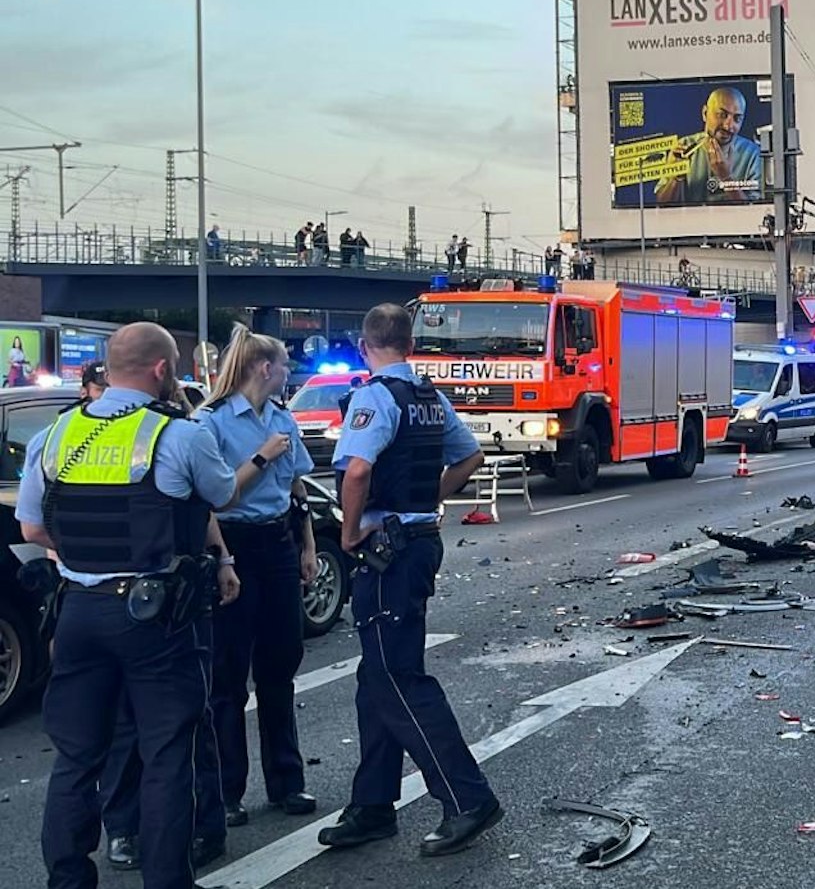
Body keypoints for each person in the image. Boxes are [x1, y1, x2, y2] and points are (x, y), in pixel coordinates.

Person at [18, 322, 241, 889]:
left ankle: (68, 880)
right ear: (164, 370)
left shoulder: (57, 433)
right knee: (167, 753)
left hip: (77, 609)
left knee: (76, 757)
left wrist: (85, 557)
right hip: (155, 615)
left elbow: (32, 526)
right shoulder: (179, 433)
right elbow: (223, 495)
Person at [318, 304, 502, 858]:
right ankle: (373, 806)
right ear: (409, 340)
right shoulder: (427, 396)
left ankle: (467, 799)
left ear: (364, 343)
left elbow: (356, 470)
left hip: (384, 552)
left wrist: (348, 533)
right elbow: (468, 455)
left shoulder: (374, 396)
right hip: (416, 543)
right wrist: (431, 500)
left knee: (397, 679)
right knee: (376, 678)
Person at [195, 328, 319, 830]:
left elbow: (297, 487)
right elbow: (215, 496)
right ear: (264, 369)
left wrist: (308, 545)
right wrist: (262, 454)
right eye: (285, 365)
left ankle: (286, 780)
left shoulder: (282, 417)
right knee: (228, 676)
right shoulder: (213, 422)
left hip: (277, 542)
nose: (287, 372)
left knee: (280, 665)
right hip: (234, 544)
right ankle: (227, 790)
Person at [658, 87, 764, 205]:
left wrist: (726, 178)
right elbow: (662, 205)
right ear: (705, 113)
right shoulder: (683, 147)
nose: (729, 126)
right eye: (722, 115)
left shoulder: (753, 154)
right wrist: (676, 178)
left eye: (737, 119)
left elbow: (755, 211)